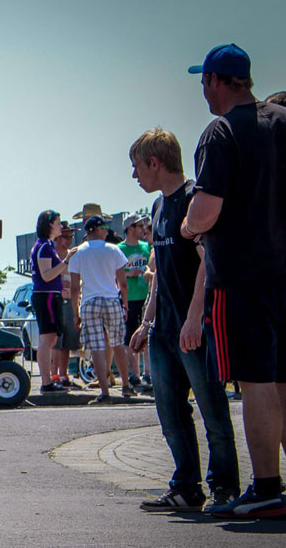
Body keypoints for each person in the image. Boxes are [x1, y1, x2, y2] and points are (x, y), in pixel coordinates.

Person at [182, 43, 286, 518]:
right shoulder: (281, 122)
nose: (203, 90)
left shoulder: (220, 132)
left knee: (257, 381)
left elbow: (205, 212)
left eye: (204, 81)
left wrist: (187, 225)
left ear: (216, 81)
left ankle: (266, 487)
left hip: (242, 279)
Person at [127, 128, 239, 512]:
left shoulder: (193, 200)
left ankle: (224, 486)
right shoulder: (158, 209)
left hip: (195, 329)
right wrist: (147, 322)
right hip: (163, 330)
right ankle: (186, 486)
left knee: (212, 409)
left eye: (137, 167)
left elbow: (208, 262)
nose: (135, 175)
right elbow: (159, 272)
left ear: (155, 163)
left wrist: (195, 320)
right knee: (170, 410)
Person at [68, 215, 131, 402]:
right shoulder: (113, 250)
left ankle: (104, 391)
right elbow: (123, 283)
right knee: (118, 343)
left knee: (96, 348)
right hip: (111, 300)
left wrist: (75, 312)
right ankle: (126, 385)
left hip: (89, 302)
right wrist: (125, 304)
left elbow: (74, 288)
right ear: (95, 229)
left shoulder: (78, 253)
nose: (106, 231)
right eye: (103, 228)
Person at [29, 210, 77, 394]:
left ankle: (48, 380)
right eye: (58, 223)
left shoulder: (47, 245)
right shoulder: (44, 246)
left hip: (51, 294)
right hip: (45, 295)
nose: (61, 227)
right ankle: (46, 381)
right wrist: (66, 260)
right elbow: (46, 275)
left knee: (51, 338)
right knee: (47, 338)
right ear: (49, 224)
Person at [118, 213, 151, 389]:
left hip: (146, 299)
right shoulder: (120, 249)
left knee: (147, 336)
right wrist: (129, 273)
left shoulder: (146, 247)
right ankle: (135, 374)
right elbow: (114, 273)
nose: (143, 229)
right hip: (129, 299)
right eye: (139, 226)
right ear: (130, 228)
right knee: (131, 337)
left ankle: (148, 373)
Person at [53, 222, 82, 388]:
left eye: (71, 236)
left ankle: (64, 376)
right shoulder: (53, 254)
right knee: (56, 342)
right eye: (65, 236)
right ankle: (54, 376)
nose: (69, 240)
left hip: (71, 300)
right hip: (57, 300)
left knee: (68, 343)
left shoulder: (74, 255)